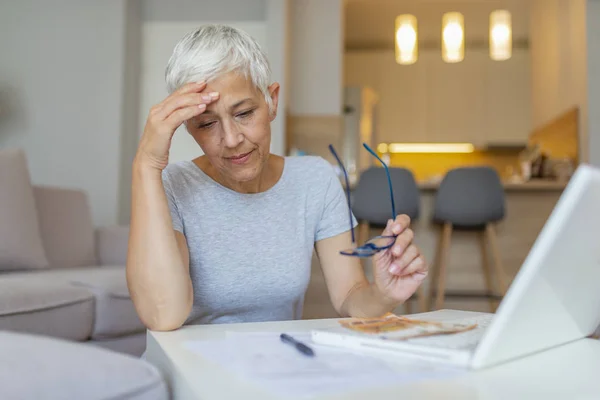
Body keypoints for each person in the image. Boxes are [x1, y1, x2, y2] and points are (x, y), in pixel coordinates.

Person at [126, 24, 428, 331]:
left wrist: (383, 294)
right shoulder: (174, 186)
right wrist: (146, 165)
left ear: (272, 101)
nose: (231, 139)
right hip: (194, 370)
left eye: (244, 113)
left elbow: (351, 295)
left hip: (276, 366)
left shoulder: (314, 180)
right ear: (188, 127)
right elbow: (163, 315)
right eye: (206, 124)